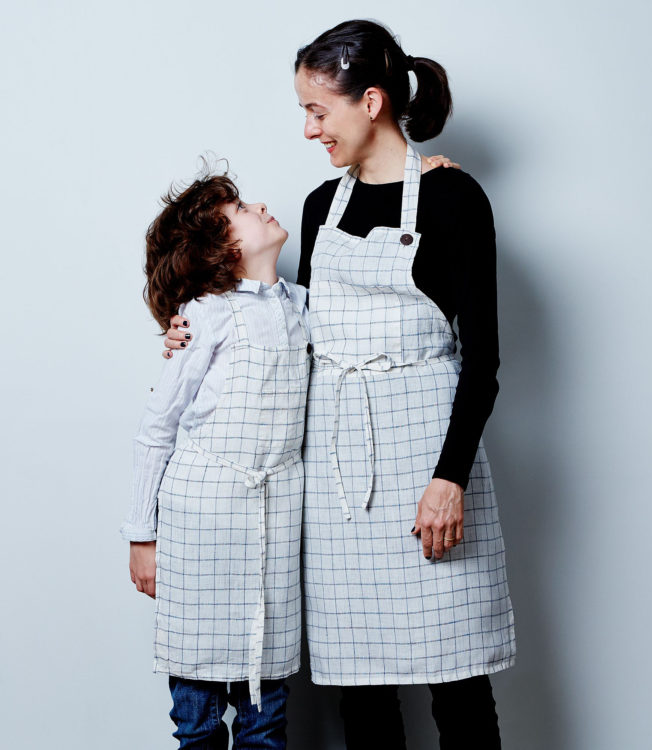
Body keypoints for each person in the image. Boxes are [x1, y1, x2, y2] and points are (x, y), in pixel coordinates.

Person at [166, 18, 515, 748]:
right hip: (337, 480)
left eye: (316, 110)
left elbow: (480, 360)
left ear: (372, 102)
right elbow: (281, 322)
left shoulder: (455, 200)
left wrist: (448, 478)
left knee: (457, 683)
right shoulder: (323, 208)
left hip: (427, 460)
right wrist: (187, 328)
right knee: (363, 694)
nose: (307, 130)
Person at [121, 167, 310, 749]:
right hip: (200, 521)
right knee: (198, 719)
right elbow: (159, 429)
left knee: (266, 716)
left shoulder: (306, 305)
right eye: (243, 211)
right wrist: (141, 536)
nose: (261, 206)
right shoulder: (204, 315)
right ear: (226, 246)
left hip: (276, 517)